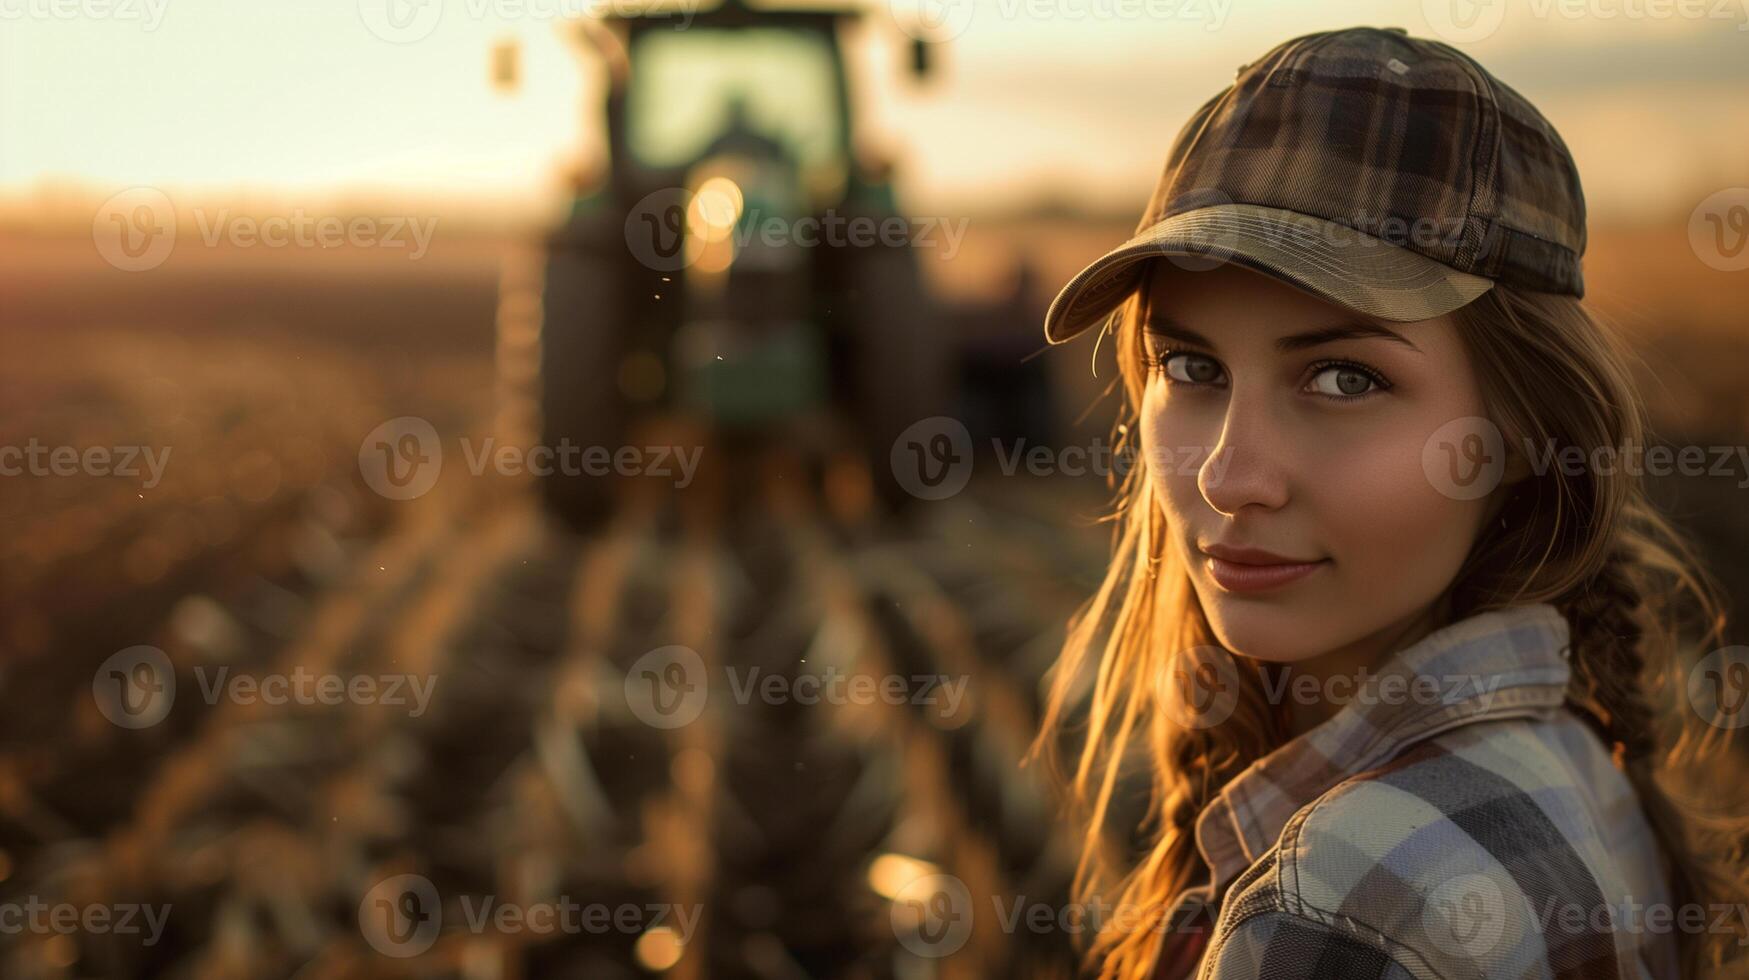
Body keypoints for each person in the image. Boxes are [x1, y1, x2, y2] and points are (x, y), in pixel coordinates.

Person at [1030, 25, 1748, 980]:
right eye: (1191, 366)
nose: (1227, 476)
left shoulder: (1345, 908)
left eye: (1343, 379)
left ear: (1527, 433)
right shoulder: (1574, 767)